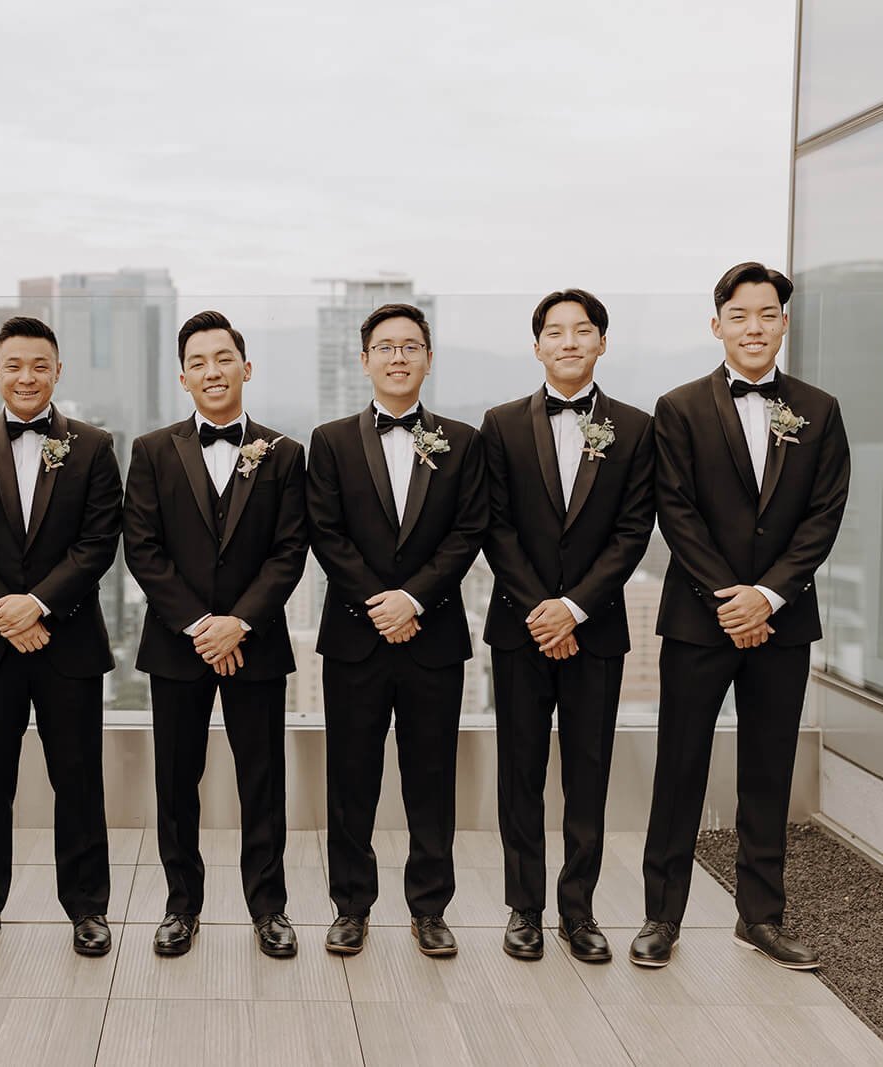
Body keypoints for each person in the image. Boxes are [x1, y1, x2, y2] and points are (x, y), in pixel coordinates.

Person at [632, 262, 849, 970]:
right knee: (680, 767)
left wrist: (770, 596)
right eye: (740, 314)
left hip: (783, 624)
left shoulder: (820, 407)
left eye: (767, 314)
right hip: (700, 620)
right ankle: (661, 916)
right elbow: (676, 511)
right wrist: (731, 597)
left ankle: (761, 916)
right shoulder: (680, 406)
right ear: (717, 323)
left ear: (784, 323)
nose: (753, 327)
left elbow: (824, 515)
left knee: (768, 768)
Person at [0, 316, 123, 957]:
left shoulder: (94, 446)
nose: (26, 377)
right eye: (14, 364)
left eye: (39, 365)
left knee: (79, 780)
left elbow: (98, 543)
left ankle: (88, 909)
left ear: (58, 370)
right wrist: (5, 611)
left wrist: (39, 605)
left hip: (68, 643)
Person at [122, 310, 309, 959]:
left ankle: (269, 907)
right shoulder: (151, 450)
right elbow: (142, 550)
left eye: (223, 357)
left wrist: (239, 622)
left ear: (246, 367)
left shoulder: (285, 452)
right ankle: (181, 905)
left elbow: (289, 551)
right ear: (183, 376)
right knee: (177, 781)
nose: (212, 370)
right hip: (178, 644)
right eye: (198, 361)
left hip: (255, 642)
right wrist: (201, 625)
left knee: (262, 779)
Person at [306, 302, 488, 958]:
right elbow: (325, 532)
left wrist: (414, 599)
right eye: (385, 347)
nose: (399, 356)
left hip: (433, 636)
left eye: (412, 346)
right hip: (355, 637)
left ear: (429, 359)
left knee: (431, 778)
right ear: (364, 360)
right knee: (351, 779)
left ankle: (429, 907)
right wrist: (378, 602)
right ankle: (350, 905)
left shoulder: (464, 441)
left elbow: (469, 531)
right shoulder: (328, 441)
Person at [479, 289, 655, 965]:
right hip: (520, 627)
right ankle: (524, 907)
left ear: (602, 343)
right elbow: (493, 525)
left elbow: (633, 529)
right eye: (555, 332)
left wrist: (575, 606)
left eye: (583, 331)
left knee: (589, 771)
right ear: (537, 347)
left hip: (597, 626)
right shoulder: (498, 424)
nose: (570, 341)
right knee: (520, 771)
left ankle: (577, 910)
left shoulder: (635, 427)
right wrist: (540, 608)